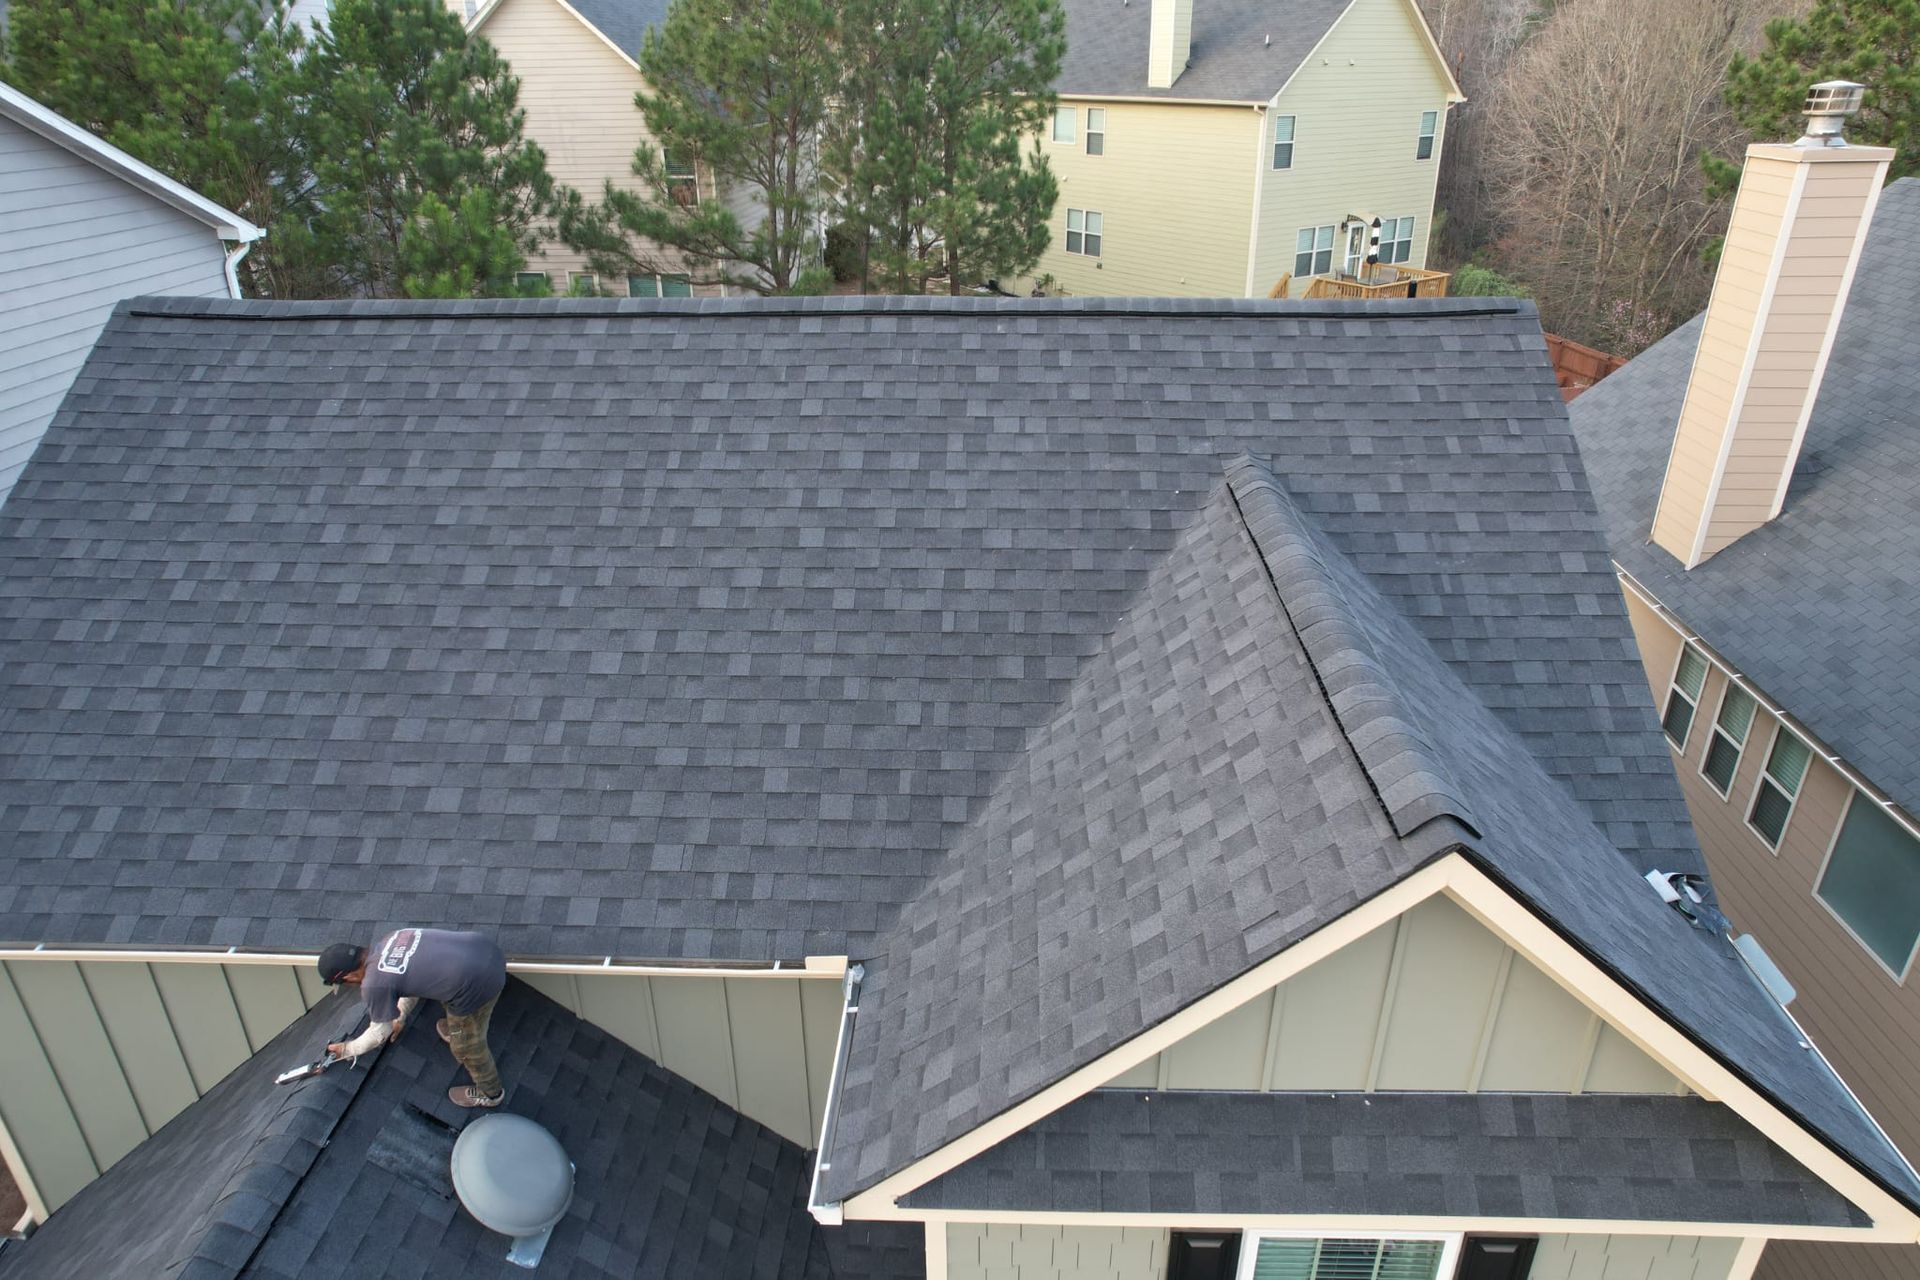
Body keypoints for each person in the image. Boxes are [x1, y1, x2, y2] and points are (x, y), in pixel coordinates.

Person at [318, 928, 508, 1108]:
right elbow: (409, 982)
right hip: (486, 950)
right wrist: (399, 1017)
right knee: (447, 988)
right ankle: (456, 1028)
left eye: (344, 983)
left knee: (466, 1048)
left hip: (481, 981)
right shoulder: (391, 938)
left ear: (350, 976)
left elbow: (379, 1033)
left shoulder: (374, 984)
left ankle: (490, 1093)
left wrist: (347, 1049)